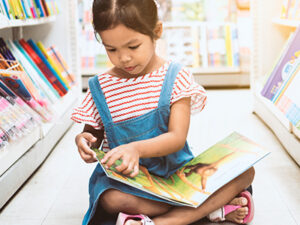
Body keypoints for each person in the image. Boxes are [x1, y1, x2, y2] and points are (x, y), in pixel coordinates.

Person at [72, 0, 255, 224]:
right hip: (131, 182)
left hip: (177, 175)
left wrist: (136, 149)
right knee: (111, 199)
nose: (124, 58)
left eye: (133, 46)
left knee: (246, 171)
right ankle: (208, 208)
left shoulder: (176, 77)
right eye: (112, 49)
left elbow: (176, 138)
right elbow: (93, 135)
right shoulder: (100, 87)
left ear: (156, 32)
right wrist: (84, 141)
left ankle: (161, 221)